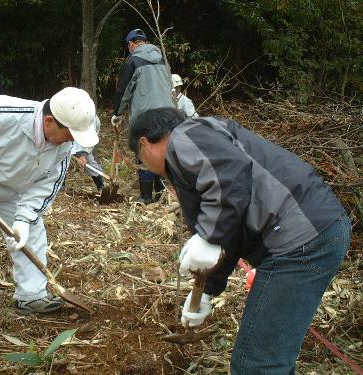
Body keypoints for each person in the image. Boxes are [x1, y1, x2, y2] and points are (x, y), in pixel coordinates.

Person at [128, 107, 351, 374]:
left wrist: (209, 235)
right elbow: (229, 229)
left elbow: (230, 177)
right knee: (266, 363)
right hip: (310, 235)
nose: (148, 168)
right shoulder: (201, 148)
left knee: (257, 366)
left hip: (300, 239)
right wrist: (207, 290)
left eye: (141, 160)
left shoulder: (185, 136)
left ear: (144, 144)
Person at [0, 87, 98, 337]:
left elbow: (45, 186)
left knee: (31, 231)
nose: (71, 141)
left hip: (13, 187)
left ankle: (31, 296)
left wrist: (23, 220)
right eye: (69, 134)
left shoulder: (63, 148)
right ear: (49, 122)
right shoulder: (1, 112)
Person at [111, 28, 173, 204]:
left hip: (145, 116)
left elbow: (123, 91)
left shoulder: (133, 61)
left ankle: (145, 197)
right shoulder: (162, 58)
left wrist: (117, 113)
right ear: (145, 42)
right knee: (162, 150)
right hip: (168, 115)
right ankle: (161, 193)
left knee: (145, 151)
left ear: (131, 45)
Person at [71, 115, 104, 191]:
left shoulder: (94, 121)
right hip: (64, 140)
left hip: (82, 144)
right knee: (61, 161)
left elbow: (90, 140)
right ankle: (60, 188)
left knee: (90, 164)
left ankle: (101, 187)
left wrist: (83, 155)